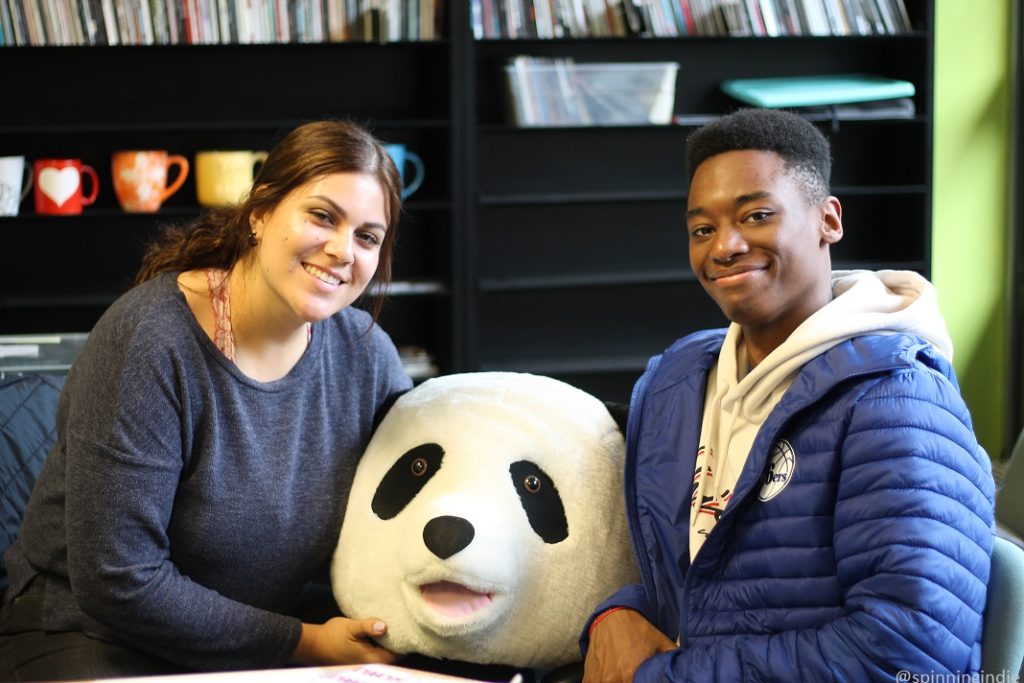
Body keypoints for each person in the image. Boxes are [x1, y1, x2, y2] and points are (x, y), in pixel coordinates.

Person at [580, 108, 996, 682]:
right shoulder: (679, 381)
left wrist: (665, 675)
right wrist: (617, 614)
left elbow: (909, 651)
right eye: (701, 229)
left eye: (755, 216)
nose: (723, 247)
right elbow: (679, 575)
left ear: (828, 219)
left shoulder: (898, 401)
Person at [0, 120, 414, 679]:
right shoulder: (150, 339)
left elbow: (412, 508)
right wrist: (310, 643)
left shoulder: (368, 359)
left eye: (368, 236)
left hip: (266, 640)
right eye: (322, 216)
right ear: (260, 213)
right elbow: (119, 579)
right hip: (92, 634)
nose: (343, 250)